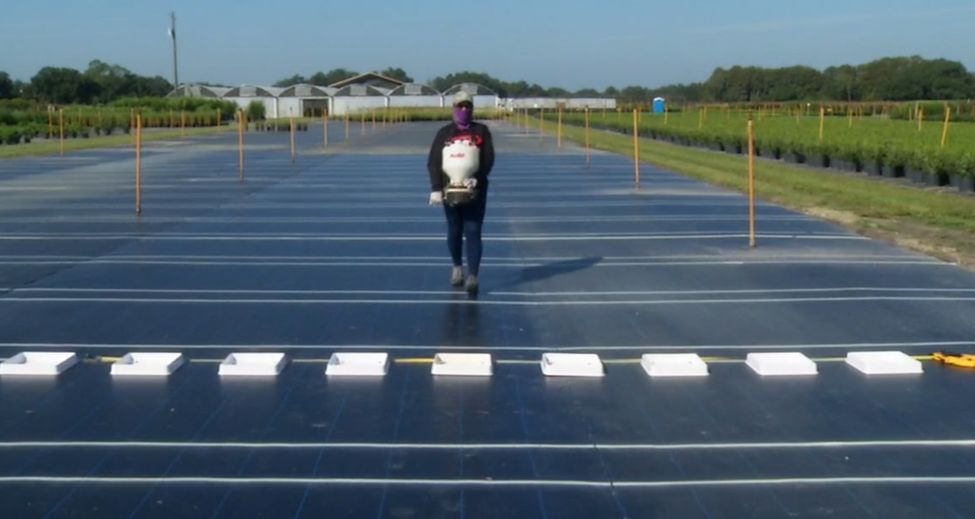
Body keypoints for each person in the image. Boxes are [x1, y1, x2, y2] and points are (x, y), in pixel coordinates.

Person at [427, 91, 495, 295]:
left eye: (468, 106)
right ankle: (457, 267)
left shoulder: (481, 131)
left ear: (472, 108)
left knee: (473, 230)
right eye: (460, 106)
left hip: (475, 189)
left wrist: (478, 177)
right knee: (455, 230)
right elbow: (434, 162)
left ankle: (473, 275)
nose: (464, 110)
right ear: (454, 108)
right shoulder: (444, 133)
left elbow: (488, 159)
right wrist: (436, 189)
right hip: (451, 189)